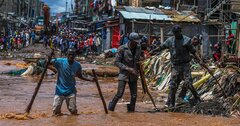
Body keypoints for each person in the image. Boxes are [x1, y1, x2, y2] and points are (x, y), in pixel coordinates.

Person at [150, 25, 201, 108]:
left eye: (177, 32)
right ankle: (171, 104)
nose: (176, 34)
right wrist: (153, 51)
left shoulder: (187, 40)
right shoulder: (170, 41)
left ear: (180, 31)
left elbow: (193, 52)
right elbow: (161, 47)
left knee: (188, 83)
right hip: (175, 66)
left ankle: (197, 98)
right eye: (174, 33)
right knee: (173, 85)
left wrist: (200, 60)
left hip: (185, 65)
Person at [50, 48, 95, 116]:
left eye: (73, 55)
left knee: (73, 111)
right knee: (56, 112)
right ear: (67, 55)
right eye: (69, 54)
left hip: (71, 91)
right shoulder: (60, 62)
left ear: (75, 56)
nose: (71, 56)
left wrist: (91, 80)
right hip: (59, 90)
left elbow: (80, 76)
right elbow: (48, 62)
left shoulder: (77, 65)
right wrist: (49, 56)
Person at [108, 32, 142, 112]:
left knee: (134, 95)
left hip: (134, 74)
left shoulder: (138, 48)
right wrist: (127, 68)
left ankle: (131, 111)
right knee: (120, 93)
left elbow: (137, 59)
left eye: (137, 42)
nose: (136, 43)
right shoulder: (122, 48)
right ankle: (110, 109)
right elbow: (116, 62)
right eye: (135, 42)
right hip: (124, 74)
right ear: (130, 40)